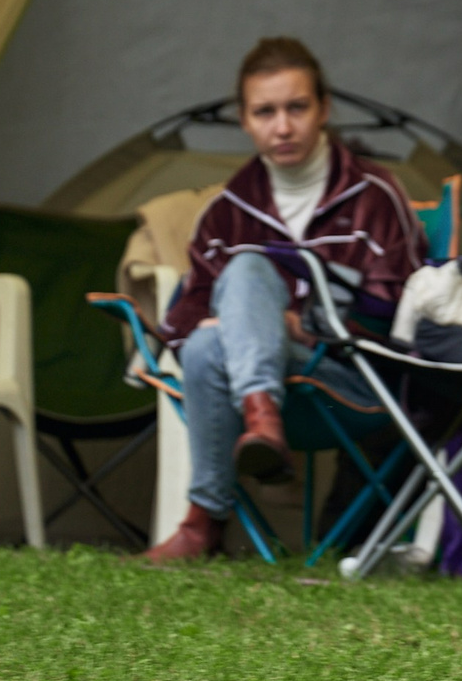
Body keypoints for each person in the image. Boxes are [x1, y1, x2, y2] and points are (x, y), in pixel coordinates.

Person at [142, 39, 424, 562]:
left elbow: (402, 317)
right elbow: (182, 321)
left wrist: (300, 326)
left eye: (296, 108)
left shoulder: (375, 197)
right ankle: (259, 417)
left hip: (351, 384)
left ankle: (203, 522)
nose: (283, 127)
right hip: (262, 386)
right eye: (264, 112)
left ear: (324, 110)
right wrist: (226, 326)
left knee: (247, 268)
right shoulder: (225, 213)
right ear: (245, 122)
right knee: (205, 345)